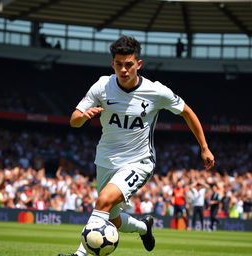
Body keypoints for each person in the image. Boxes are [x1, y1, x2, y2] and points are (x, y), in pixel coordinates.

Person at [58, 35, 214, 256]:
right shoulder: (102, 86)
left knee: (102, 201)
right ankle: (144, 227)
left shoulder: (156, 91)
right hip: (106, 159)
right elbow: (73, 120)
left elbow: (187, 112)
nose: (124, 70)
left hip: (138, 162)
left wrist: (204, 147)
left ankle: (80, 254)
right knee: (110, 216)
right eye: (119, 64)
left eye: (129, 64)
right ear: (113, 64)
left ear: (138, 64)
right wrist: (83, 116)